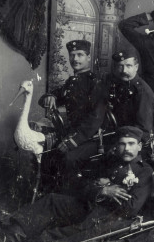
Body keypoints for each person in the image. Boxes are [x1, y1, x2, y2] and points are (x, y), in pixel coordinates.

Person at [0, 126, 153, 242]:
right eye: (122, 144)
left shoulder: (145, 171)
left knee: (56, 234)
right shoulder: (109, 161)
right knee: (51, 201)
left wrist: (108, 194)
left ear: (139, 146)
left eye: (131, 144)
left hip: (107, 218)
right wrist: (102, 190)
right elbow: (82, 183)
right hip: (89, 204)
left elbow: (131, 208)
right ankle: (6, 238)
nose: (126, 149)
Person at [38, 40, 107, 175]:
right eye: (72, 55)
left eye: (80, 55)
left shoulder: (96, 82)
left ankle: (68, 195)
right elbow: (47, 99)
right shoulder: (71, 82)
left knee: (68, 159)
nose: (75, 59)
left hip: (91, 137)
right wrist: (50, 95)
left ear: (88, 57)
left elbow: (95, 119)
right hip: (72, 133)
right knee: (46, 155)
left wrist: (73, 141)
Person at [102, 49, 154, 142]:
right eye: (120, 66)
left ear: (136, 67)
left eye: (128, 66)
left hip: (131, 139)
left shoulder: (142, 91)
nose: (124, 70)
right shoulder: (118, 83)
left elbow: (143, 129)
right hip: (115, 132)